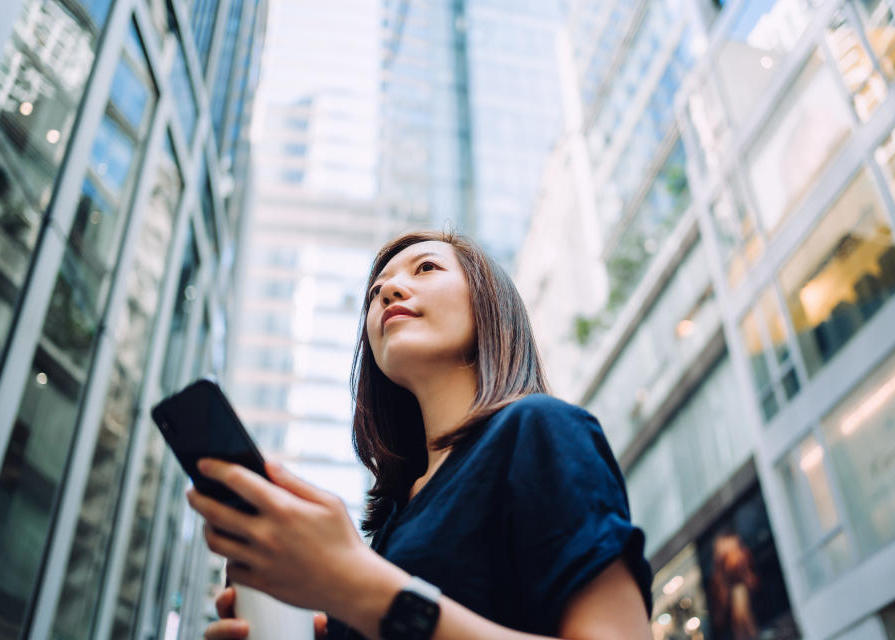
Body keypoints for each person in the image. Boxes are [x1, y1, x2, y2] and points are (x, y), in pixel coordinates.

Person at [187, 231, 653, 639]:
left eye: (426, 267)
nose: (388, 289)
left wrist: (358, 586)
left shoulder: (541, 430)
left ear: (489, 301)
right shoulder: (393, 522)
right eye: (374, 292)